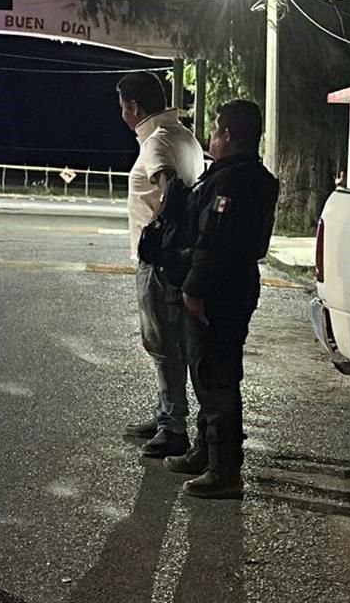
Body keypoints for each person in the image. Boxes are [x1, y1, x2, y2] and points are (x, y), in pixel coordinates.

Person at [162, 100, 279, 499]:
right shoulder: (246, 176)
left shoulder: (234, 182)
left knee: (217, 377)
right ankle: (205, 451)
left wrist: (195, 289)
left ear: (228, 134)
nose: (210, 138)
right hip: (232, 284)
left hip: (219, 291)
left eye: (214, 130)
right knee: (207, 371)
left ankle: (223, 470)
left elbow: (216, 243)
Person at [117, 71, 205, 458]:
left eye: (122, 107)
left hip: (159, 260)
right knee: (175, 340)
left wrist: (160, 240)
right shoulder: (185, 135)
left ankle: (173, 426)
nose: (122, 114)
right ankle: (167, 413)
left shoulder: (156, 143)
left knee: (162, 342)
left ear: (134, 107)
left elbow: (172, 194)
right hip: (184, 257)